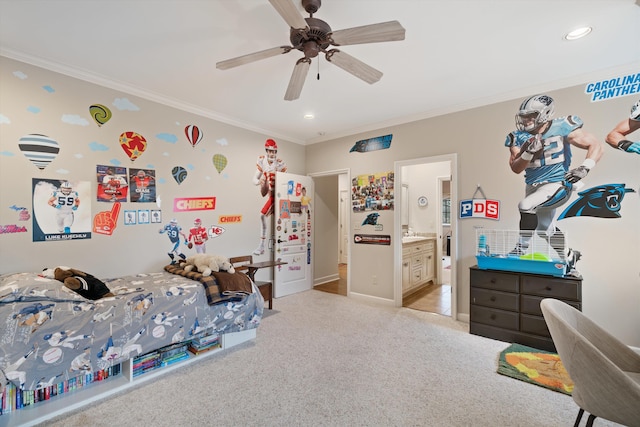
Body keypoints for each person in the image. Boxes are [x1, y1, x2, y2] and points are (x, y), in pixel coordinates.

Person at [505, 94, 603, 258]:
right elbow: (516, 168)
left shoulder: (563, 126)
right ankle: (569, 255)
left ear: (545, 113)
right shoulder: (517, 136)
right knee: (545, 229)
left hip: (557, 184)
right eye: (524, 116)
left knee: (525, 205)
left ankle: (519, 250)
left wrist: (585, 167)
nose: (526, 119)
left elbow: (595, 144)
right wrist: (528, 153)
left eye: (531, 115)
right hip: (533, 186)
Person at [252, 139, 287, 255]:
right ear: (266, 151)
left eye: (274, 151)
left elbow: (285, 179)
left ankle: (263, 246)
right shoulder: (262, 161)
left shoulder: (279, 163)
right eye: (270, 151)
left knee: (263, 215)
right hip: (269, 194)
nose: (272, 154)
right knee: (266, 217)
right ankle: (264, 246)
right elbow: (254, 179)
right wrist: (260, 181)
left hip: (277, 195)